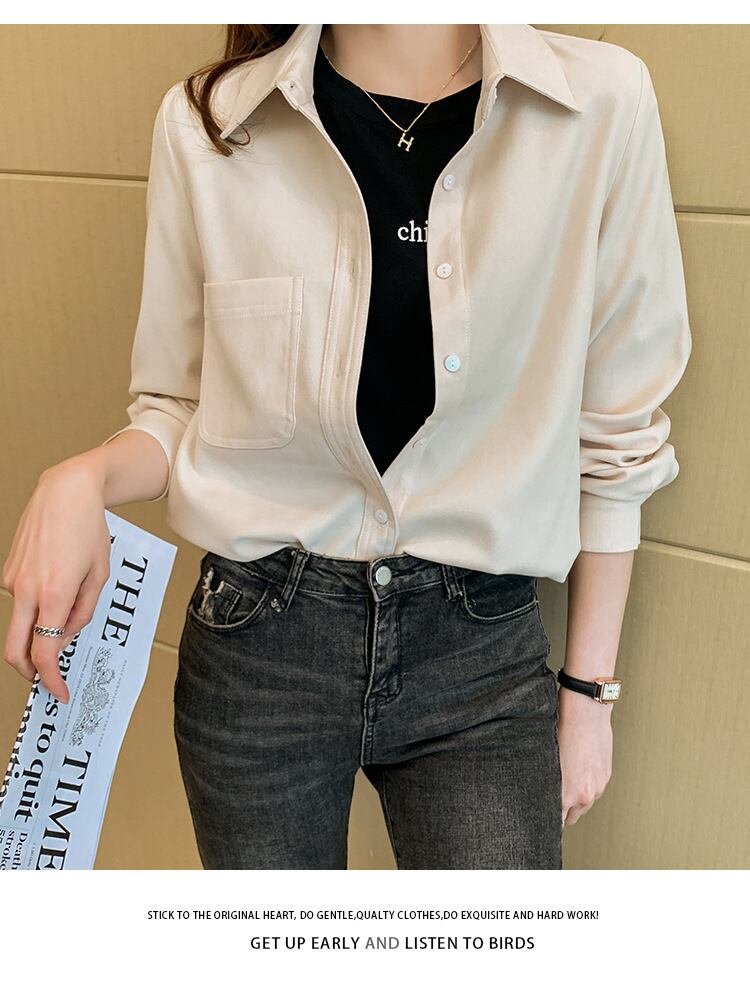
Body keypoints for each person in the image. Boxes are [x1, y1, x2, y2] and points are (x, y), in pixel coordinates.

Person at [1, 24, 692, 869]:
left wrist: (589, 693)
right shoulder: (209, 123)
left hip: (478, 652)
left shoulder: (599, 104)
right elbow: (182, 403)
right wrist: (81, 478)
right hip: (260, 641)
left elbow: (616, 429)